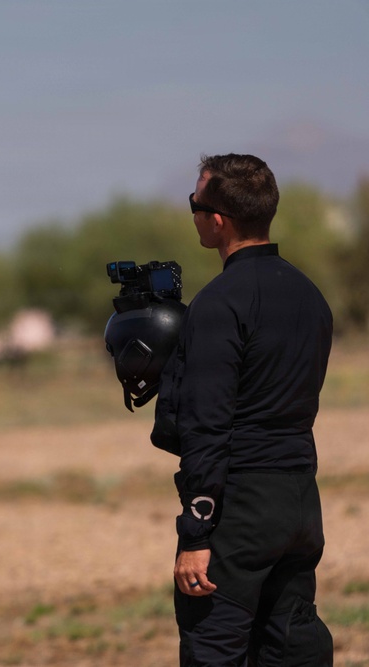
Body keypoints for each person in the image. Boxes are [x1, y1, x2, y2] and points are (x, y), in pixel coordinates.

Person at [151, 154, 334, 666]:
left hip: (240, 506)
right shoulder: (310, 295)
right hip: (300, 500)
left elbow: (208, 426)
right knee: (290, 646)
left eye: (194, 204)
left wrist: (197, 532)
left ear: (217, 219)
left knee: (215, 646)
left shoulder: (220, 303)